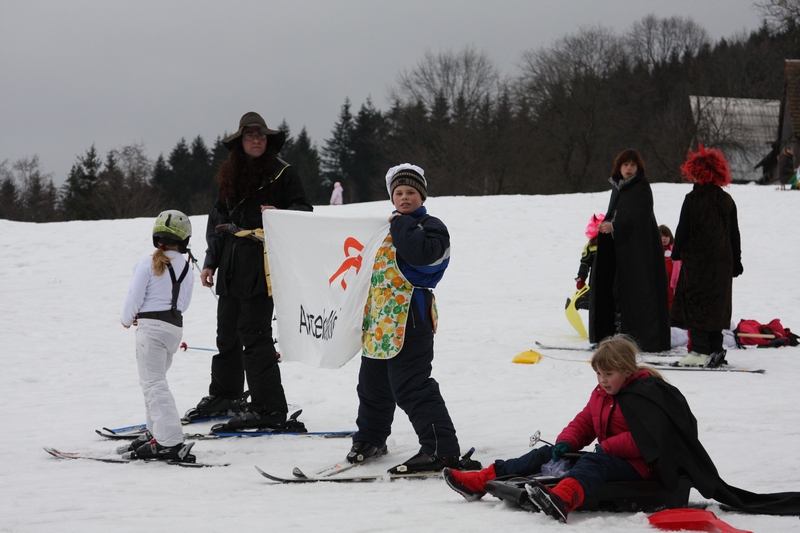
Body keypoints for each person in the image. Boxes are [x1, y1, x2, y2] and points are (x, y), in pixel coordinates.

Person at [443, 335, 800, 521]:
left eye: (608, 373)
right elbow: (585, 421)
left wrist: (608, 448)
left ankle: (564, 498)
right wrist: (566, 443)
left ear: (626, 370)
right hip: (612, 459)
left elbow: (652, 440)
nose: (602, 380)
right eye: (598, 374)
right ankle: (481, 480)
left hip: (643, 468)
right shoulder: (602, 392)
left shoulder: (647, 395)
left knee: (594, 463)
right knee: (544, 455)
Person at [347, 163, 480, 474]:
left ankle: (440, 449)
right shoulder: (383, 228)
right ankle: (371, 438)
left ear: (422, 196)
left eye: (410, 192)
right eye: (398, 193)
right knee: (372, 386)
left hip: (412, 320)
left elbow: (422, 258)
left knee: (412, 386)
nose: (404, 198)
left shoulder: (432, 227)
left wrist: (403, 226)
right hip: (379, 323)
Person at [189, 112, 313, 430]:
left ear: (267, 141)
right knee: (227, 333)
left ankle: (268, 408)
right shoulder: (230, 176)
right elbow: (217, 224)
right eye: (249, 136)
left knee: (254, 335)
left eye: (260, 136)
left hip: (263, 264)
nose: (255, 140)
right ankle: (226, 396)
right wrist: (210, 262)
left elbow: (304, 212)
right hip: (231, 263)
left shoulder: (283, 173)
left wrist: (280, 213)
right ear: (240, 143)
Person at [119, 210, 196, 461]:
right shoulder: (186, 267)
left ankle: (170, 441)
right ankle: (155, 432)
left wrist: (127, 319)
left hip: (150, 330)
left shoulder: (147, 263)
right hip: (173, 329)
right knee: (153, 382)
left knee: (153, 385)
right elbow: (183, 304)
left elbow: (134, 296)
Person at [588, 149, 670, 353]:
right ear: (619, 166)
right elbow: (616, 213)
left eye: (632, 165)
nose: (629, 168)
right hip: (618, 249)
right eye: (625, 165)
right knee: (612, 289)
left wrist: (614, 227)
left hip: (637, 253)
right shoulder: (618, 188)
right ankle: (612, 332)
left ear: (638, 168)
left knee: (636, 293)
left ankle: (638, 338)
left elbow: (638, 219)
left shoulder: (640, 188)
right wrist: (606, 224)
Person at [671, 145, 743, 367]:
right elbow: (734, 233)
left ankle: (700, 351)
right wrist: (736, 261)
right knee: (716, 306)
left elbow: (682, 228)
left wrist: (676, 252)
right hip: (722, 263)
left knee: (697, 304)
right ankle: (716, 348)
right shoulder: (727, 200)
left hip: (698, 262)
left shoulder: (693, 198)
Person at [570, 213, 604, 310]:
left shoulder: (612, 244)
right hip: (596, 279)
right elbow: (584, 263)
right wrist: (581, 278)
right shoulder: (590, 248)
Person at [659, 225, 681, 309]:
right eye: (661, 236)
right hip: (661, 283)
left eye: (666, 236)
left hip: (672, 284)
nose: (664, 238)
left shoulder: (675, 250)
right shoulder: (656, 252)